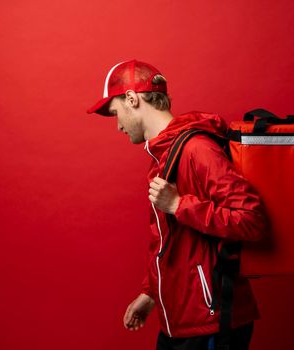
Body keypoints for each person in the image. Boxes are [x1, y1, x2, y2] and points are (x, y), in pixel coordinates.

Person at [87, 59, 268, 350]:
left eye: (115, 113)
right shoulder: (164, 156)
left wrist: (180, 205)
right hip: (180, 323)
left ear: (132, 99)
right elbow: (170, 240)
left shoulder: (197, 149)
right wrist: (150, 294)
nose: (118, 126)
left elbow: (252, 219)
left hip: (212, 322)